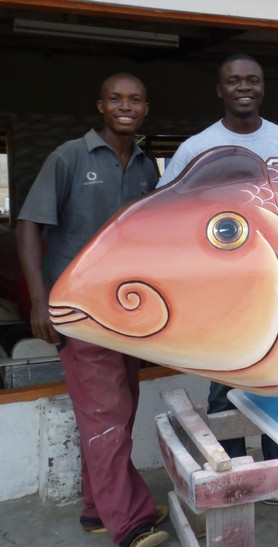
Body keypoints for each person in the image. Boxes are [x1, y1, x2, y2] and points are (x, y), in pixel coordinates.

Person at [156, 53, 278, 512]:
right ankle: (234, 485)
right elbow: (165, 215)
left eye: (252, 80)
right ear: (220, 90)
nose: (243, 88)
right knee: (226, 384)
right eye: (233, 81)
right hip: (223, 295)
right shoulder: (198, 148)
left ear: (262, 86)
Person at [16, 73, 168, 547]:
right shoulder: (69, 156)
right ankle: (129, 522)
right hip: (79, 310)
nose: (127, 106)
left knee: (114, 413)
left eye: (136, 100)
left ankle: (96, 510)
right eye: (117, 99)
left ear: (145, 108)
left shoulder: (146, 166)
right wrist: (40, 301)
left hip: (126, 311)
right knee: (107, 412)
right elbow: (28, 226)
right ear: (100, 105)